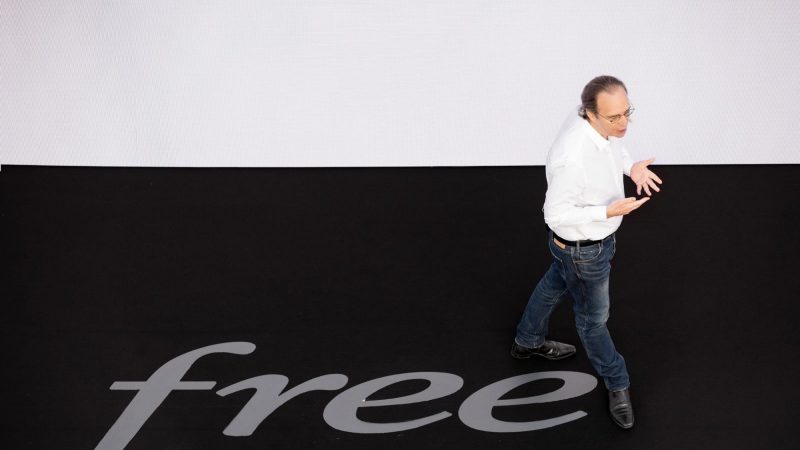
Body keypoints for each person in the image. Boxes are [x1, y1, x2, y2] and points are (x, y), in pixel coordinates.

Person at [510, 75, 662, 429]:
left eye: (627, 112)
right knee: (593, 322)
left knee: (554, 283)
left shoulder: (596, 124)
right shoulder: (573, 157)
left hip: (576, 248)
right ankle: (618, 382)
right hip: (584, 251)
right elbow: (554, 214)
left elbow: (614, 147)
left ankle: (526, 341)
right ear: (590, 113)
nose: (624, 124)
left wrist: (631, 167)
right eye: (615, 117)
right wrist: (605, 212)